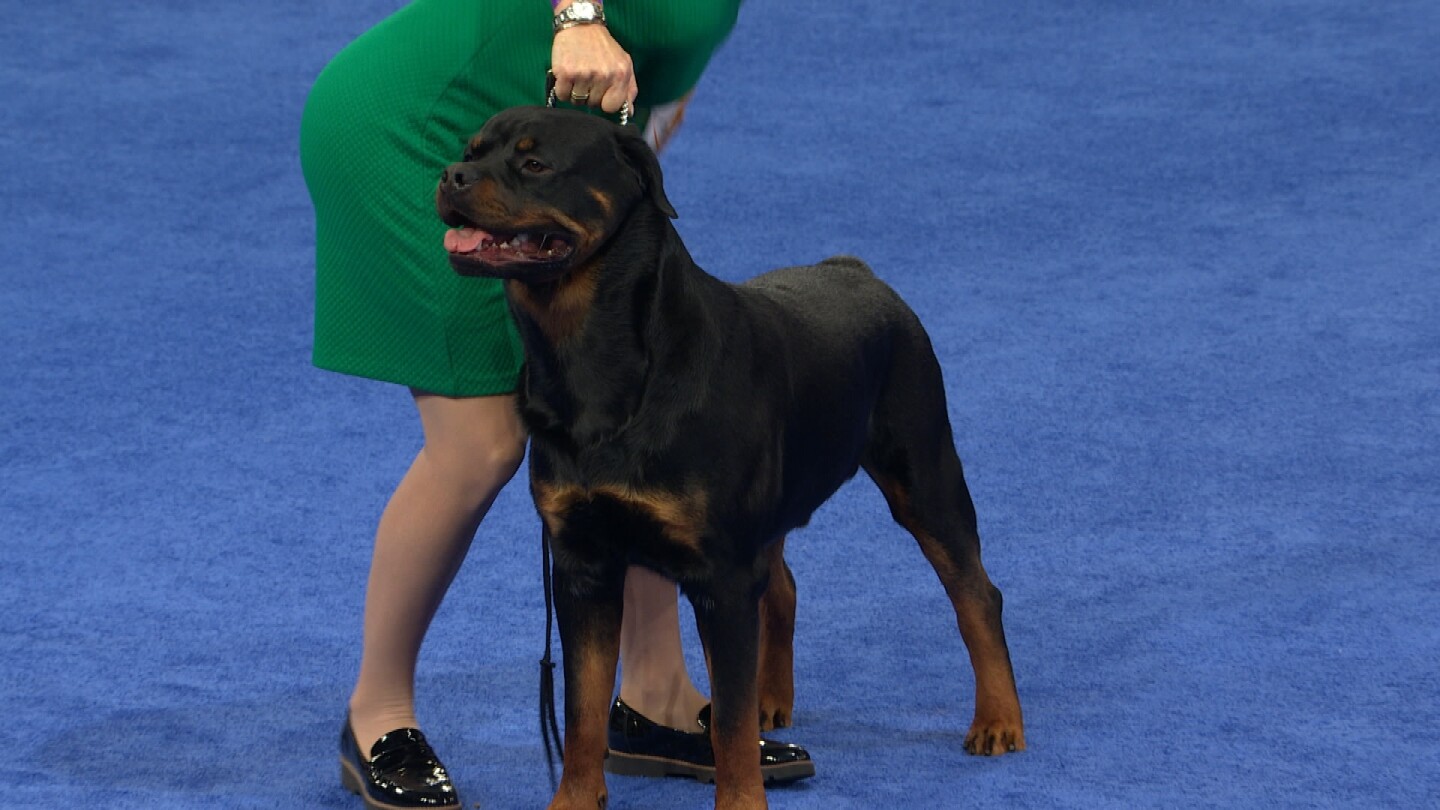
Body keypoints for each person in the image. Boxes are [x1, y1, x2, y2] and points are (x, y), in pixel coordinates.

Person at [300, 1, 810, 807]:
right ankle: (378, 716)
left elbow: (650, 102)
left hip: (542, 162)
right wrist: (577, 14)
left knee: (635, 413)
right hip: (418, 128)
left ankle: (656, 696)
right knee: (482, 443)